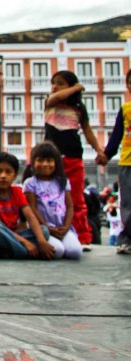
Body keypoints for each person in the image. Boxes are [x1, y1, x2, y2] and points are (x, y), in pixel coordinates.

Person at [44, 70, 105, 248]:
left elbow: (87, 131)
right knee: (51, 198)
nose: (55, 86)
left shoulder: (78, 109)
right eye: (53, 83)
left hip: (73, 156)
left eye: (60, 83)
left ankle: (82, 237)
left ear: (69, 85)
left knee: (77, 199)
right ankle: (54, 233)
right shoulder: (50, 101)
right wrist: (77, 87)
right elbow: (58, 97)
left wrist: (99, 150)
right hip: (52, 158)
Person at [0, 151, 58, 260]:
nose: (3, 176)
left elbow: (31, 217)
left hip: (12, 236)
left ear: (14, 175)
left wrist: (42, 241)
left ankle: (4, 252)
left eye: (8, 172)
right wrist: (26, 243)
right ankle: (25, 253)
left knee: (43, 231)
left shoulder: (17, 192)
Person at [21, 142, 83, 260]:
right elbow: (32, 209)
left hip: (62, 228)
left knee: (75, 252)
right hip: (43, 229)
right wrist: (47, 227)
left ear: (56, 163)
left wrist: (66, 227)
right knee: (58, 251)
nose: (45, 164)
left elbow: (69, 207)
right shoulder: (30, 183)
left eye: (49, 160)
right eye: (40, 160)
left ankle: (62, 243)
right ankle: (37, 245)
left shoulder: (63, 181)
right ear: (33, 163)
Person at [99, 68, 131, 254]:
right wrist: (106, 155)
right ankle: (127, 239)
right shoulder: (126, 109)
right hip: (127, 162)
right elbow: (116, 135)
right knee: (128, 203)